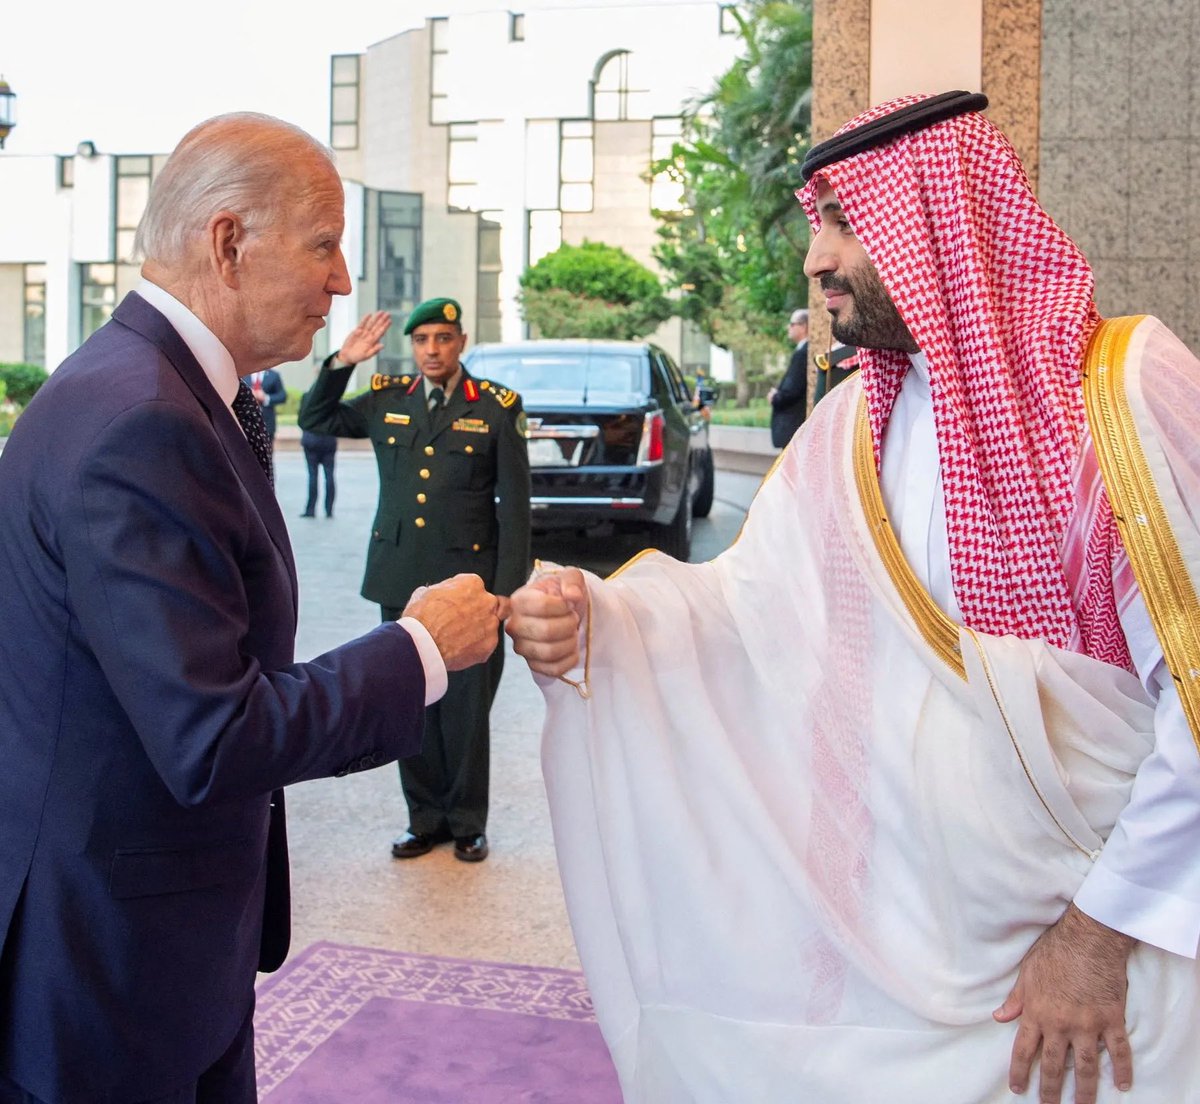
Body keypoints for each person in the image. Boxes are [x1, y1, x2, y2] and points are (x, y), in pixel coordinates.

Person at [506, 91, 1200, 1103]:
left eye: (844, 220)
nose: (815, 259)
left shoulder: (1123, 392)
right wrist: (599, 622)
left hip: (1102, 950)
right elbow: (747, 613)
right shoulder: (848, 430)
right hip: (900, 934)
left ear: (937, 221)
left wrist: (1100, 934)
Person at [0, 112, 507, 1104]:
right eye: (324, 245)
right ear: (228, 244)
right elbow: (214, 732)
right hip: (110, 968)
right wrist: (418, 648)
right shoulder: (141, 421)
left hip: (157, 942)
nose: (344, 281)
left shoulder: (156, 389)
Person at [299, 298, 531, 863]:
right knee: (413, 702)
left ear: (461, 342)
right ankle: (423, 819)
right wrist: (343, 362)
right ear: (413, 346)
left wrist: (506, 588)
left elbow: (515, 506)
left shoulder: (496, 407)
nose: (432, 349)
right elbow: (316, 418)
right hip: (402, 579)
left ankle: (467, 822)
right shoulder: (387, 398)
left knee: (467, 713)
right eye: (423, 339)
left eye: (443, 338)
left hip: (472, 585)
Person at [767, 307, 808, 447]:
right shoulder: (802, 351)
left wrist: (775, 397)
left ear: (803, 327)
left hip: (793, 426)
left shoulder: (803, 353)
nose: (788, 328)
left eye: (792, 324)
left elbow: (792, 390)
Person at [242, 367, 287, 480]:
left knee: (267, 456)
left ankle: (268, 482)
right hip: (246, 422)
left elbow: (282, 396)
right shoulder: (244, 374)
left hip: (267, 423)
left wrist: (266, 398)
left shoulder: (273, 375)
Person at [300, 422, 338, 518]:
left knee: (312, 476)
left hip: (311, 439)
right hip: (329, 439)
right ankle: (329, 509)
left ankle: (311, 509)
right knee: (329, 476)